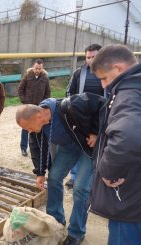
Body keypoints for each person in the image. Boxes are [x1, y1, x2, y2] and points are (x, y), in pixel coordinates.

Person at [16, 92, 105, 245]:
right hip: (68, 148)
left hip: (87, 149)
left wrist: (96, 132)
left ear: (38, 117)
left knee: (80, 188)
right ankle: (55, 222)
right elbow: (37, 148)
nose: (29, 131)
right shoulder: (38, 128)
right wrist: (40, 172)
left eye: (28, 127)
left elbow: (101, 103)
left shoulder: (70, 105)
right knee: (54, 178)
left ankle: (76, 233)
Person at [90, 44, 141, 244]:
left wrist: (107, 171)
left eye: (104, 78)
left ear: (118, 69)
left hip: (128, 198)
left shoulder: (129, 94)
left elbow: (129, 136)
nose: (103, 85)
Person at [65, 43, 104, 188]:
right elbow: (69, 93)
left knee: (98, 149)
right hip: (81, 118)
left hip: (101, 117)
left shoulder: (108, 73)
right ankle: (74, 177)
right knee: (78, 145)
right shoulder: (78, 73)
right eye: (88, 57)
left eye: (94, 57)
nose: (91, 60)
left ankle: (94, 178)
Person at [18, 59, 50, 157]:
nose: (37, 70)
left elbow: (47, 93)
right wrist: (25, 102)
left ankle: (37, 147)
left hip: (39, 108)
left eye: (39, 69)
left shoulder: (45, 78)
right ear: (33, 66)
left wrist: (43, 105)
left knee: (38, 127)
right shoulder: (27, 76)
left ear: (42, 68)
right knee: (25, 127)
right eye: (36, 68)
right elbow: (20, 90)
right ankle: (23, 148)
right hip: (28, 107)